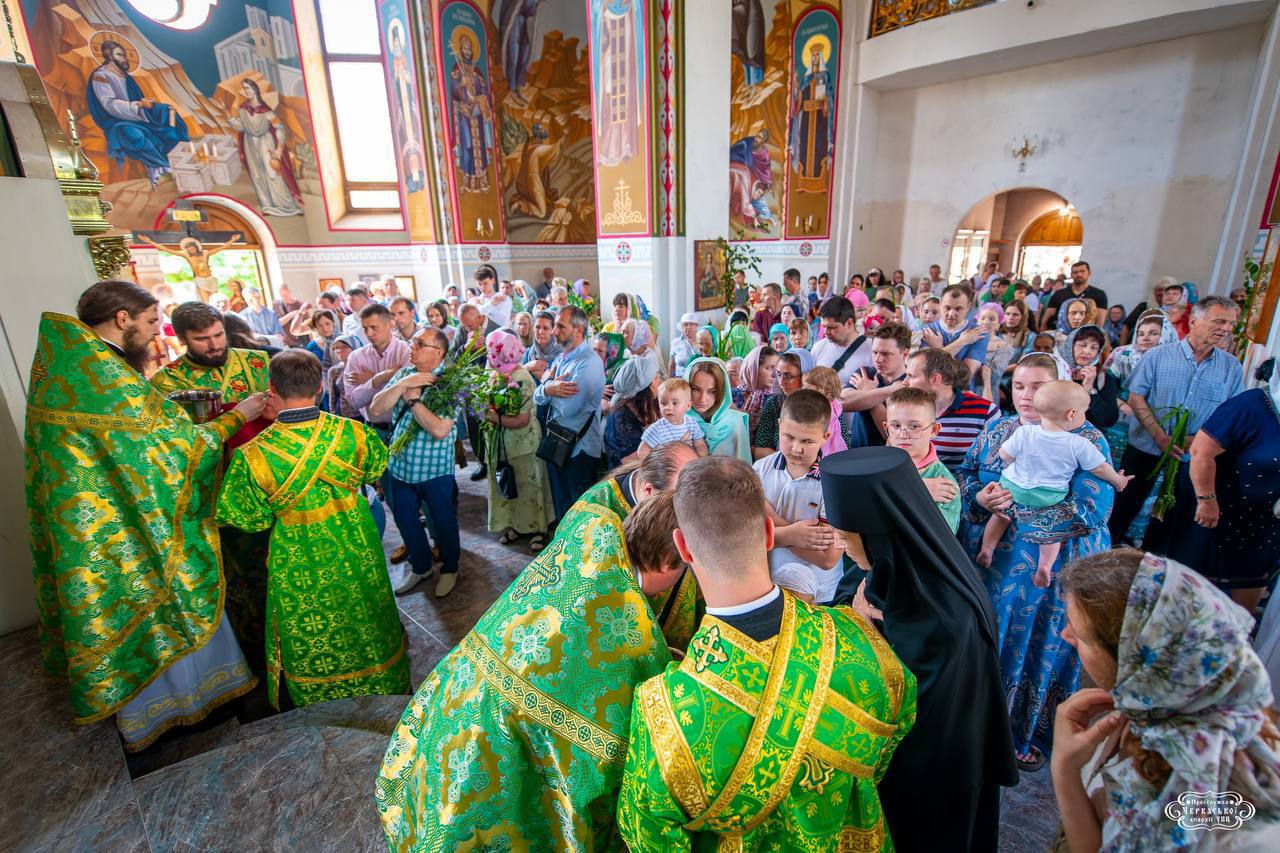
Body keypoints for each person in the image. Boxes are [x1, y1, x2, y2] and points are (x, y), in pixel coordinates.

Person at [376, 446, 698, 851]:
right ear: (670, 562)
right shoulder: (632, 629)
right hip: (498, 751)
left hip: (453, 710)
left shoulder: (594, 532)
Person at [617, 456, 915, 851]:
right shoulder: (864, 645)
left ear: (683, 547)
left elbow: (648, 838)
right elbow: (887, 748)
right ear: (770, 534)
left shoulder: (662, 713)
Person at [26, 281, 263, 750]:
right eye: (152, 321)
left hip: (100, 519)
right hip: (128, 523)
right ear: (123, 319)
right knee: (162, 593)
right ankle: (185, 703)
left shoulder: (71, 365)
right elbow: (174, 449)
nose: (156, 332)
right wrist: (236, 417)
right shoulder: (104, 375)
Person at [821, 447, 1017, 852]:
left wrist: (863, 629)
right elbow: (845, 607)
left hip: (929, 781)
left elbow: (916, 712)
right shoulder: (873, 567)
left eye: (845, 535)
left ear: (877, 532)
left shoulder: (949, 618)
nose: (840, 545)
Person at [216, 350, 410, 707]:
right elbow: (374, 469)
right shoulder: (354, 432)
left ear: (271, 389)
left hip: (298, 553)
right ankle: (383, 684)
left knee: (313, 623)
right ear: (320, 387)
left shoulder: (252, 455)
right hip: (355, 541)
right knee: (365, 608)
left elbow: (248, 517)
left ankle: (319, 696)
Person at [1055, 549, 1280, 851]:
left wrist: (1064, 769)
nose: (1065, 634)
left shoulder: (1196, 794)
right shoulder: (1170, 703)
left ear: (1139, 663)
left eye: (1081, 636)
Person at [957, 353, 1115, 770]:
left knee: (1038, 644)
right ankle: (973, 728)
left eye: (1038, 387)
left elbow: (1094, 507)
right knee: (987, 638)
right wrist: (980, 498)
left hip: (1051, 571)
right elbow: (967, 474)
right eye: (1019, 386)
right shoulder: (1000, 429)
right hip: (993, 564)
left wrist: (1021, 509)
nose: (1026, 396)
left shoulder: (1086, 438)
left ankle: (1021, 733)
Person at [1108, 296, 1243, 547]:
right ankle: (1105, 555)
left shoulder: (1231, 367)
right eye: (1219, 321)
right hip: (1146, 447)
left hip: (1192, 457)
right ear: (1194, 321)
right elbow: (1136, 397)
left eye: (1231, 324)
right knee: (1123, 507)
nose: (1226, 329)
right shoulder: (1158, 356)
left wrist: (1200, 440)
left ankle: (1153, 561)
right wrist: (1160, 436)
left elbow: (1231, 413)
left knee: (1171, 518)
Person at [977, 380, 1132, 582]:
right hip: (1047, 496)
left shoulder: (1023, 432)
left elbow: (1004, 455)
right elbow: (1100, 469)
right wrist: (1120, 482)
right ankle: (1044, 566)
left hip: (1012, 488)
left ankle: (987, 548)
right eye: (1084, 412)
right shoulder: (1079, 443)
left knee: (1000, 516)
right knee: (1050, 532)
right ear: (1071, 414)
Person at [1168, 359, 1280, 611]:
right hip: (1221, 515)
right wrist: (1206, 500)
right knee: (1193, 604)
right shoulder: (1250, 405)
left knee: (1242, 612)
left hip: (1265, 526)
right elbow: (1200, 452)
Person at [370, 327, 463, 598]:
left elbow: (440, 430)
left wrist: (413, 402)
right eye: (413, 342)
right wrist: (403, 384)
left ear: (438, 352)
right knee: (405, 520)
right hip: (400, 467)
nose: (412, 347)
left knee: (443, 522)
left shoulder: (451, 383)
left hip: (434, 469)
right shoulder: (405, 374)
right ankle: (421, 567)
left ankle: (450, 569)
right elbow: (376, 409)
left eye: (420, 344)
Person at [751, 390, 843, 603]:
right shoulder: (760, 470)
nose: (796, 448)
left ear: (825, 437)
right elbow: (748, 534)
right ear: (779, 425)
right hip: (769, 584)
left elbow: (827, 558)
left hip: (820, 592)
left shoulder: (834, 483)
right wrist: (792, 534)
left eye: (807, 441)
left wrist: (772, 520)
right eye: (789, 437)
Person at [482, 329, 553, 553]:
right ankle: (515, 526)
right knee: (508, 485)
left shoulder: (521, 377)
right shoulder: (493, 374)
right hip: (500, 444)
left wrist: (492, 417)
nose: (489, 355)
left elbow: (522, 419)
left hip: (522, 444)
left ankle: (538, 529)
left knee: (528, 487)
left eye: (492, 350)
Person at [535, 306, 606, 522]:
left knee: (580, 516)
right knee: (562, 510)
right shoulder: (561, 359)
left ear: (578, 331)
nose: (554, 332)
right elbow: (537, 398)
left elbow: (568, 408)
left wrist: (547, 387)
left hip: (579, 449)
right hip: (557, 443)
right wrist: (549, 388)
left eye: (560, 326)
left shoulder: (589, 363)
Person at [903, 348, 998, 472]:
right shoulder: (905, 410)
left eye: (911, 376)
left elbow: (992, 467)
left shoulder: (986, 411)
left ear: (935, 378)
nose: (904, 382)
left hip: (964, 483)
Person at [883, 387, 961, 532]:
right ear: (886, 428)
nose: (903, 434)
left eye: (914, 426)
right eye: (896, 426)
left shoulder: (944, 483)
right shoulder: (876, 465)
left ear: (934, 430)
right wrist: (916, 490)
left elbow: (935, 537)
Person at [841, 321, 910, 448]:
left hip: (888, 457)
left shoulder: (911, 382)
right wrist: (890, 390)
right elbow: (843, 403)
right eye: (874, 352)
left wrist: (867, 393)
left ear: (905, 354)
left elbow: (889, 433)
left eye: (886, 354)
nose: (877, 359)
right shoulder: (865, 373)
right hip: (856, 454)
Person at [686, 356, 751, 463]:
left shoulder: (735, 423)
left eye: (712, 391)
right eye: (695, 389)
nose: (702, 399)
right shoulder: (677, 421)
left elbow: (743, 467)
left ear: (722, 392)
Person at [920, 285, 988, 383]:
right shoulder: (927, 330)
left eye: (958, 309)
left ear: (968, 307)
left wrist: (938, 348)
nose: (951, 314)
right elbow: (925, 368)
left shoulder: (978, 333)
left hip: (961, 390)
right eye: (947, 308)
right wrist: (961, 342)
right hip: (930, 388)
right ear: (940, 304)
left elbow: (965, 376)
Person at [603, 355, 661, 469]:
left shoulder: (650, 406)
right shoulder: (620, 417)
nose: (660, 381)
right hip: (628, 476)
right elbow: (632, 461)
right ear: (644, 388)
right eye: (655, 378)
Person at [637, 377, 708, 458]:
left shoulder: (691, 423)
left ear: (688, 406)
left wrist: (698, 459)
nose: (668, 408)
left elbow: (700, 445)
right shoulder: (657, 429)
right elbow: (642, 451)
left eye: (674, 403)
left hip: (690, 462)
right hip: (668, 464)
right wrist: (663, 458)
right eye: (663, 403)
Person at [752, 350, 805, 457]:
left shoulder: (820, 406)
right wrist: (790, 461)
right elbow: (759, 450)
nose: (781, 383)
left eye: (788, 376)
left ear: (804, 374)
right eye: (779, 375)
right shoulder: (775, 403)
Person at [811, 296, 873, 387]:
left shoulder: (872, 350)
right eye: (824, 327)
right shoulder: (818, 347)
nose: (826, 332)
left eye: (832, 327)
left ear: (849, 323)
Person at [1041, 260, 1108, 329]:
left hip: (1086, 333)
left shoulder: (1099, 294)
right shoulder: (1059, 294)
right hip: (1060, 333)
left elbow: (1099, 322)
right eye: (1075, 272)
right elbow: (1047, 318)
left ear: (1089, 273)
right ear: (1071, 275)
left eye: (1082, 271)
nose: (1079, 274)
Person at [801, 366, 849, 458]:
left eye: (807, 388)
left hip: (825, 451)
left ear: (823, 392)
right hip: (837, 449)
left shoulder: (822, 411)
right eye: (803, 386)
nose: (803, 390)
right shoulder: (835, 405)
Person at [737, 344, 779, 437]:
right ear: (753, 369)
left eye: (777, 369)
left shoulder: (776, 399)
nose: (774, 374)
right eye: (769, 368)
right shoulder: (732, 396)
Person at [326, 334, 360, 419]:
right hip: (343, 415)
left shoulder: (362, 367)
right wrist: (333, 415)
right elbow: (332, 396)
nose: (339, 350)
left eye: (345, 347)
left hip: (362, 415)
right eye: (336, 348)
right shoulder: (334, 371)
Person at [522, 309, 561, 383]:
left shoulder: (561, 356)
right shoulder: (528, 353)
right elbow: (515, 380)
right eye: (537, 327)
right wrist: (527, 367)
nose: (540, 332)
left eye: (545, 328)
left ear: (553, 331)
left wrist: (542, 377)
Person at [669, 312, 699, 378]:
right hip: (680, 378)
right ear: (682, 327)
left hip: (697, 378)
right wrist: (670, 380)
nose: (688, 327)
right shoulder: (675, 342)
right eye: (685, 325)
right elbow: (671, 365)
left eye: (691, 324)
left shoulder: (701, 341)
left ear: (696, 326)